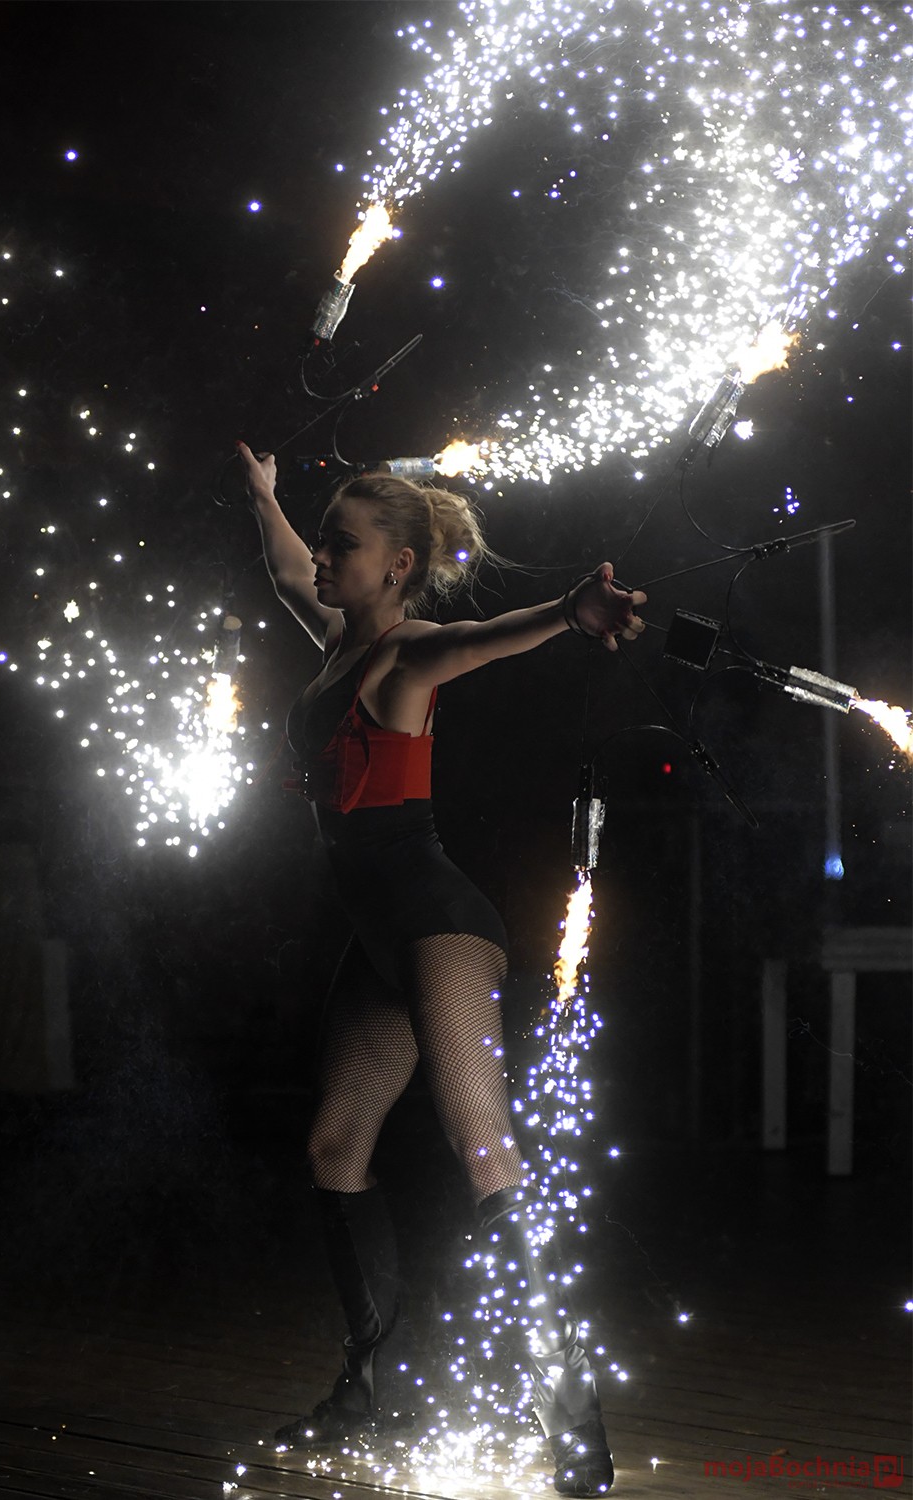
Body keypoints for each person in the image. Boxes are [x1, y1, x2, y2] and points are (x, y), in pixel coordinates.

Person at [237, 442, 646, 1497]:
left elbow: (483, 638)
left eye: (342, 545)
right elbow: (284, 571)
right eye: (324, 542)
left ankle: (573, 1417)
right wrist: (265, 497)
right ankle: (364, 1390)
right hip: (377, 937)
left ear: (400, 566)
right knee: (334, 1146)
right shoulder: (334, 637)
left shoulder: (405, 657)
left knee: (483, 1150)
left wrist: (570, 613)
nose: (322, 559)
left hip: (438, 925)